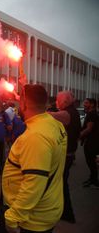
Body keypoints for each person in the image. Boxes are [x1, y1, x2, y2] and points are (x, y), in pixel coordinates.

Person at [1, 85, 67, 233]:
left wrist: (13, 217)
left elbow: (34, 183)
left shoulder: (35, 136)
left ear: (23, 103)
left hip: (32, 219)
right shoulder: (54, 125)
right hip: (47, 208)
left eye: (21, 101)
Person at [48, 91, 81, 223]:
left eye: (57, 100)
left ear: (65, 102)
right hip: (68, 154)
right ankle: (63, 212)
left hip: (66, 156)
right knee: (59, 183)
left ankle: (67, 213)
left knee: (60, 184)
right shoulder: (72, 111)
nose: (56, 102)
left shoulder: (68, 113)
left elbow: (50, 116)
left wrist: (39, 109)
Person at [80, 98, 99, 188]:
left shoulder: (92, 114)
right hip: (91, 141)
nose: (84, 104)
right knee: (90, 162)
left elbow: (89, 129)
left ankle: (94, 181)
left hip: (92, 142)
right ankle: (92, 179)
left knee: (91, 162)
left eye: (86, 103)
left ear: (92, 104)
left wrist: (78, 136)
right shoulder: (92, 113)